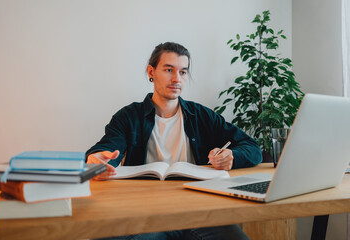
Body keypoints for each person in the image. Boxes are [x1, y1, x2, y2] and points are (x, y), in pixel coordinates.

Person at [86, 42, 262, 240]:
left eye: (183, 72)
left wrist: (232, 156)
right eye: (169, 70)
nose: (177, 79)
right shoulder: (128, 116)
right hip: (146, 214)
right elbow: (106, 148)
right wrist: (96, 159)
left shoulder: (201, 115)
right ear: (151, 72)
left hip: (198, 212)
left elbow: (252, 147)